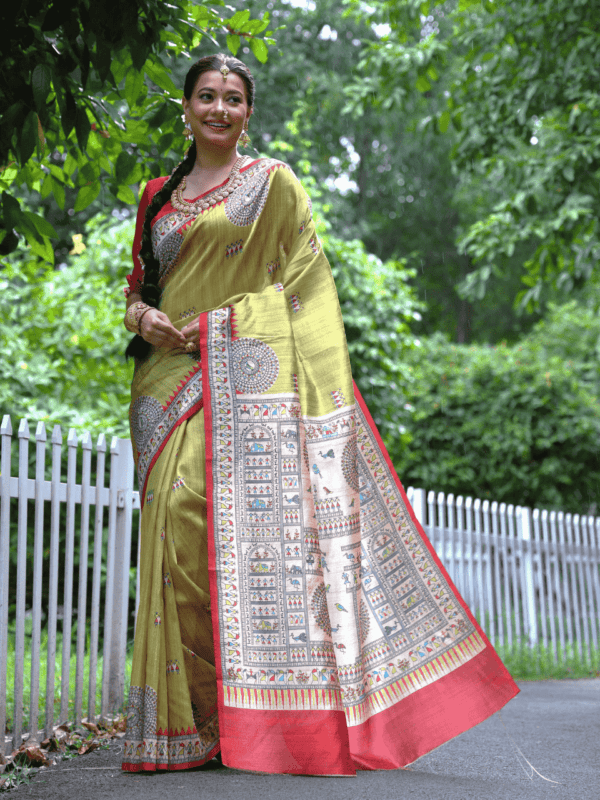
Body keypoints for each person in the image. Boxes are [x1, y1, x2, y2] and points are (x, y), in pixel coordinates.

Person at [121, 54, 518, 776]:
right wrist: (146, 318)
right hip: (163, 385)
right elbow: (136, 292)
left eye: (233, 99)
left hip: (243, 377)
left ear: (249, 112)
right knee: (171, 541)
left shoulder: (273, 185)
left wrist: (228, 324)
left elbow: (303, 288)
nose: (218, 108)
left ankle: (252, 712)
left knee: (201, 517)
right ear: (185, 107)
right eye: (206, 96)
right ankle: (195, 724)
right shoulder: (157, 196)